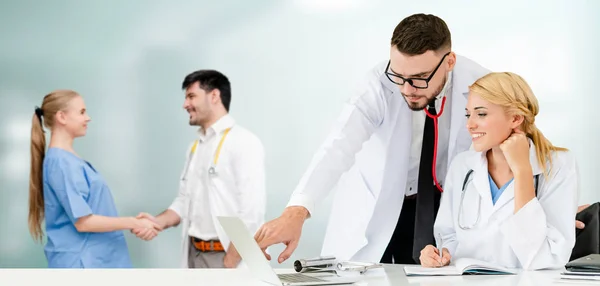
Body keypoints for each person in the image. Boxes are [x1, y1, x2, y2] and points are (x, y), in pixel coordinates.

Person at [254, 13, 589, 265]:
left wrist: (543, 205)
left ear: (449, 62)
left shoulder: (480, 85)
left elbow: (518, 128)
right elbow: (337, 146)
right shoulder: (377, 86)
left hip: (442, 215)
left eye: (418, 79)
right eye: (398, 75)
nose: (405, 88)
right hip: (379, 209)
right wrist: (295, 213)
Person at [419, 72, 579, 270]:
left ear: (516, 118)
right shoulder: (462, 166)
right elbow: (449, 236)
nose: (470, 125)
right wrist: (437, 255)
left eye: (482, 113)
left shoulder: (558, 165)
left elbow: (548, 257)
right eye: (468, 114)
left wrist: (522, 171)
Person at [133, 70, 266, 269]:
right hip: (194, 253)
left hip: (227, 256)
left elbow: (251, 210)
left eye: (191, 96)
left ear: (214, 96)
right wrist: (157, 222)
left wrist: (231, 259)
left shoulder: (244, 142)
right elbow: (184, 200)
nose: (185, 104)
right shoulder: (196, 147)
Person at [28, 89, 161, 268]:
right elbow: (83, 222)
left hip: (96, 260)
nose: (88, 118)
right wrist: (133, 222)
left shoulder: (69, 160)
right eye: (82, 112)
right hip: (84, 262)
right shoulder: (60, 163)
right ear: (62, 117)